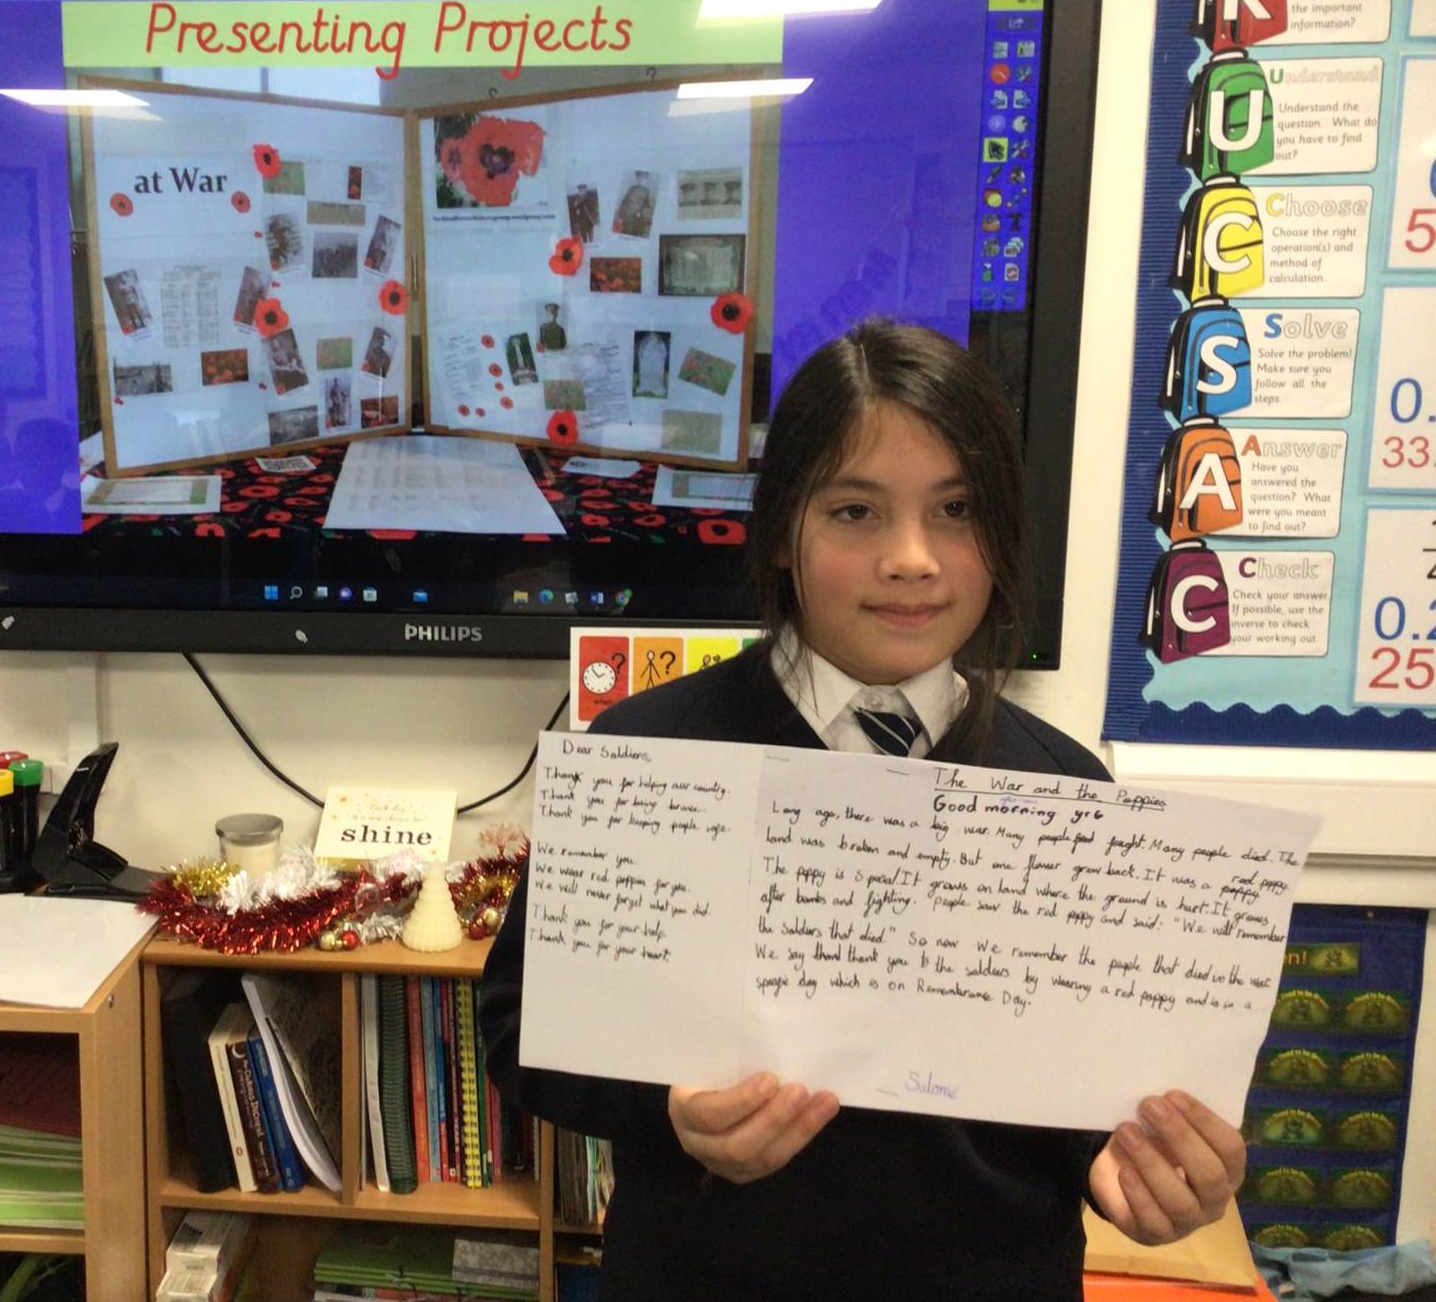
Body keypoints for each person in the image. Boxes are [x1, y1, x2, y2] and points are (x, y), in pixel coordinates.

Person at [480, 320, 1247, 1302]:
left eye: (957, 509)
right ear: (781, 533)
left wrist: (1145, 1172)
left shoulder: (1065, 796)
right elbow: (521, 1026)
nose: (912, 559)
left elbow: (1097, 1098)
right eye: (855, 511)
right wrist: (663, 1107)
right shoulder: (652, 755)